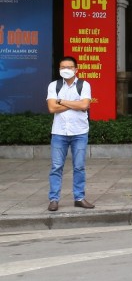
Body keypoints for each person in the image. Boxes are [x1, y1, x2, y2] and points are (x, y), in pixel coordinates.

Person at [46, 56, 94, 211]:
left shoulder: (84, 85)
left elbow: (85, 105)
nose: (65, 70)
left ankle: (79, 197)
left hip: (79, 132)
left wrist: (61, 101)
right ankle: (54, 199)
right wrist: (75, 104)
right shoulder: (54, 85)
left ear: (76, 69)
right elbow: (52, 108)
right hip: (59, 132)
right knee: (56, 166)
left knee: (79, 166)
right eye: (62, 67)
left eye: (69, 67)